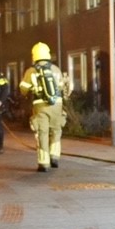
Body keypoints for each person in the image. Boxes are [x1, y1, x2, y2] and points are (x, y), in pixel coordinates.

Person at [20, 42, 69, 172]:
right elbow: (62, 87)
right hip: (57, 105)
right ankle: (54, 157)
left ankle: (44, 163)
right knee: (56, 131)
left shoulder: (31, 71)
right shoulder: (55, 69)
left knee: (43, 133)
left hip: (40, 106)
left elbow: (23, 89)